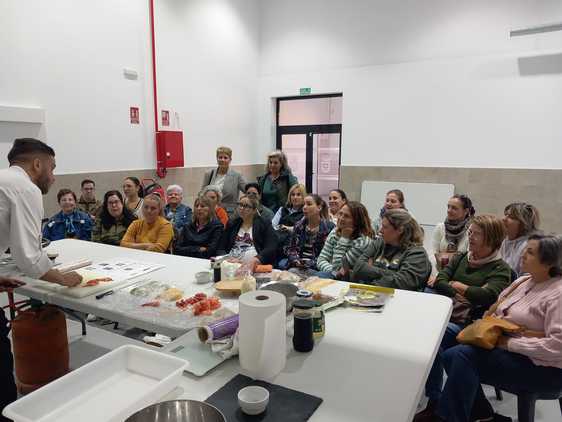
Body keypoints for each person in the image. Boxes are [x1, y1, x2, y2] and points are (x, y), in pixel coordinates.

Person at [429, 234, 562, 422]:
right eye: (525, 249)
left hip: (542, 367)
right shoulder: (523, 281)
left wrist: (508, 344)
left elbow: (557, 347)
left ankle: (449, 417)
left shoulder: (558, 294)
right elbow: (496, 310)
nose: (523, 255)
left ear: (549, 262)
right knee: (445, 337)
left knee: (460, 356)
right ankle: (479, 412)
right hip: (503, 344)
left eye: (530, 252)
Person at [0, 138, 82, 419]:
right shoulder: (24, 188)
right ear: (37, 164)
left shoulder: (4, 181)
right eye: (52, 167)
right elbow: (28, 256)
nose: (54, 175)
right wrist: (61, 277)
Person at [416, 214, 512, 422]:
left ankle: (436, 401)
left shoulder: (500, 269)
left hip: (469, 324)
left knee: (433, 339)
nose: (470, 236)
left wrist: (458, 285)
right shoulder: (461, 257)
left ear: (492, 238)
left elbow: (487, 296)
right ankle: (449, 402)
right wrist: (464, 291)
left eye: (476, 233)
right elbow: (440, 279)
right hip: (447, 313)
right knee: (428, 335)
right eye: (470, 232)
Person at [352, 209, 431, 290]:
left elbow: (401, 282)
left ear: (400, 230)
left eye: (385, 227)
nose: (380, 230)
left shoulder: (417, 254)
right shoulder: (379, 243)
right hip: (367, 294)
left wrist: (370, 270)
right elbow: (358, 267)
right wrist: (392, 273)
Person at [316, 201, 375, 280]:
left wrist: (344, 239)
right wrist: (332, 271)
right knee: (297, 272)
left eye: (346, 216)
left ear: (357, 221)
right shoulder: (335, 232)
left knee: (319, 276)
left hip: (350, 280)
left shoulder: (363, 242)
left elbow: (339, 267)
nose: (341, 218)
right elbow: (321, 260)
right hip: (331, 273)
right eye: (340, 214)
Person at [281, 194, 335, 275]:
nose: (304, 207)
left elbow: (328, 255)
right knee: (289, 273)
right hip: (298, 265)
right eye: (304, 204)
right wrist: (296, 260)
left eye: (309, 204)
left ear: (319, 207)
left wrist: (309, 263)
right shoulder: (299, 225)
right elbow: (292, 249)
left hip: (318, 267)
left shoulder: (329, 228)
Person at [217, 195, 277, 268]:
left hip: (254, 266)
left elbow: (271, 247)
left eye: (246, 206)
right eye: (240, 205)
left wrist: (257, 259)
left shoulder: (264, 224)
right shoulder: (232, 224)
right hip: (230, 265)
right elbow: (221, 247)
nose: (241, 208)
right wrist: (226, 259)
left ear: (254, 210)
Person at [432, 194, 476, 270]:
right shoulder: (440, 227)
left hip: (461, 274)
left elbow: (468, 258)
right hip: (439, 272)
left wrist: (444, 255)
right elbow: (434, 254)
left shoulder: (472, 230)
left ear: (466, 211)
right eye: (448, 207)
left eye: (454, 208)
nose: (449, 210)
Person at [201, 146, 246, 217]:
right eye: (220, 157)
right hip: (211, 213)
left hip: (229, 214)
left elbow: (247, 191)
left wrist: (242, 204)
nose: (222, 160)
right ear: (217, 158)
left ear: (230, 159)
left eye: (225, 158)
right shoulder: (209, 174)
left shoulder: (237, 175)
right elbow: (202, 194)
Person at [500, 202, 540, 277]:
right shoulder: (504, 241)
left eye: (511, 217)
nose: (503, 219)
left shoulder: (528, 245)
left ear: (523, 224)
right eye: (506, 215)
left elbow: (527, 278)